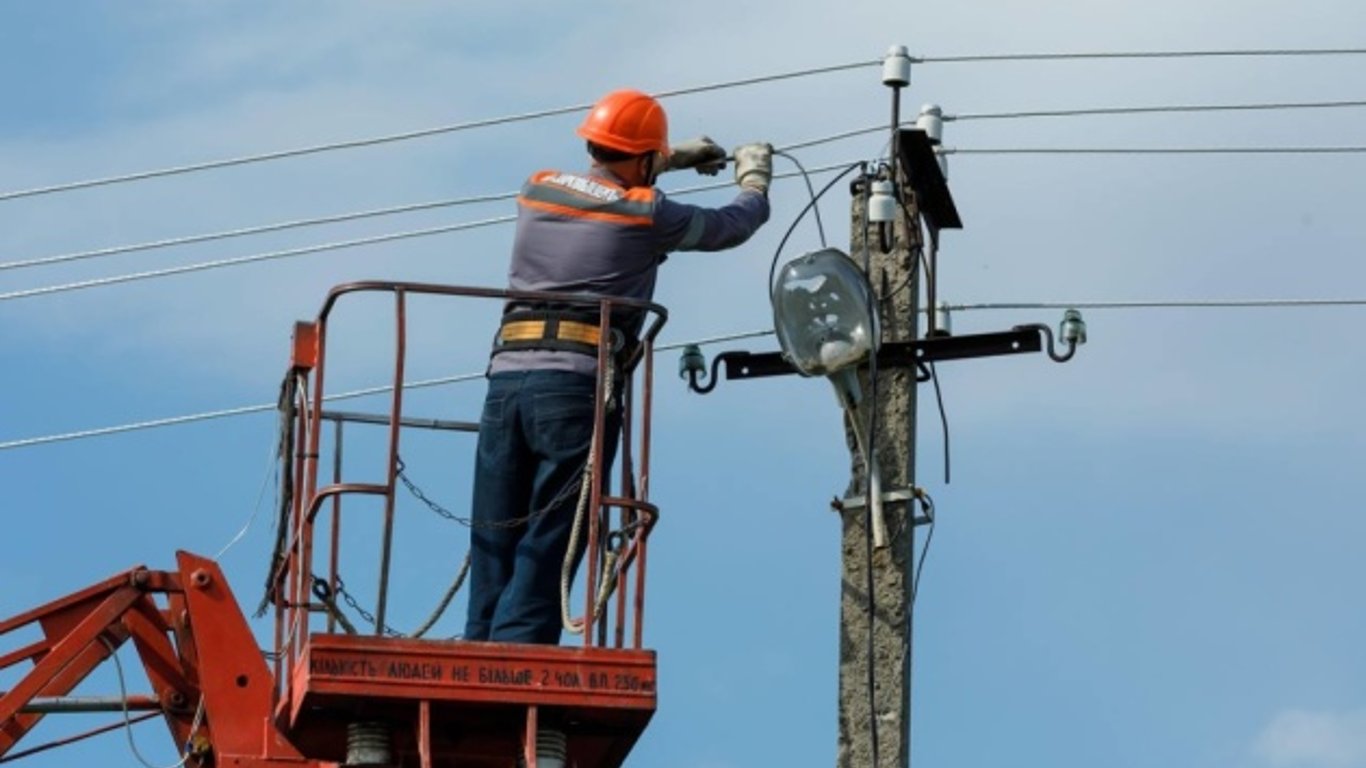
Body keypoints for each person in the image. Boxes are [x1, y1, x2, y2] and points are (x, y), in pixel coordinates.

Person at [464, 88, 773, 645]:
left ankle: (479, 636)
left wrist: (670, 157)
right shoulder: (648, 212)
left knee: (494, 521)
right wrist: (754, 181)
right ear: (644, 158)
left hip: (505, 382)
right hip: (574, 387)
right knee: (553, 525)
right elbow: (730, 226)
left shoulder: (537, 188)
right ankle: (517, 647)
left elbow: (603, 183)